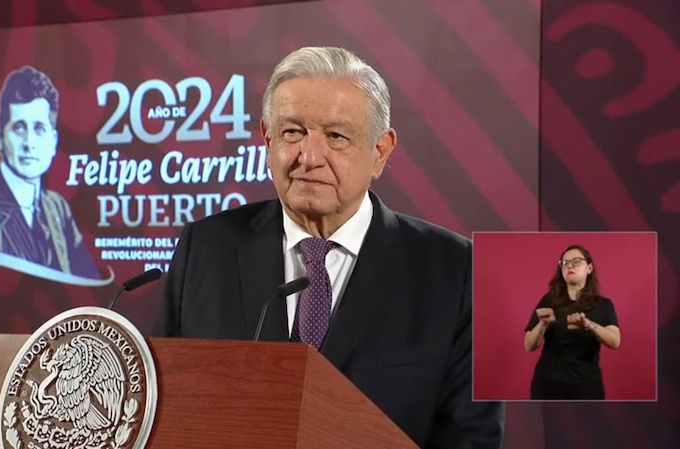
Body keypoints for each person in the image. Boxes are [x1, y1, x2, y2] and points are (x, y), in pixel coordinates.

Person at [152, 46, 504, 447]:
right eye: (292, 132)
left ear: (380, 151)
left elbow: (471, 437)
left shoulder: (458, 272)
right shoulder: (206, 247)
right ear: (267, 139)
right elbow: (164, 407)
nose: (309, 157)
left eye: (336, 136)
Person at [0, 66, 101, 280]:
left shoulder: (58, 209)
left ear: (53, 142)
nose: (29, 143)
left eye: (39, 129)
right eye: (19, 127)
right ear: (0, 139)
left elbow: (88, 288)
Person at [524, 244, 621, 400]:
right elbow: (529, 345)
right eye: (565, 262)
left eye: (576, 261)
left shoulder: (603, 305)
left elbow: (615, 341)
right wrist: (542, 324)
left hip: (586, 386)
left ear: (589, 268)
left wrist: (588, 325)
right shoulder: (549, 300)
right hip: (548, 384)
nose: (569, 265)